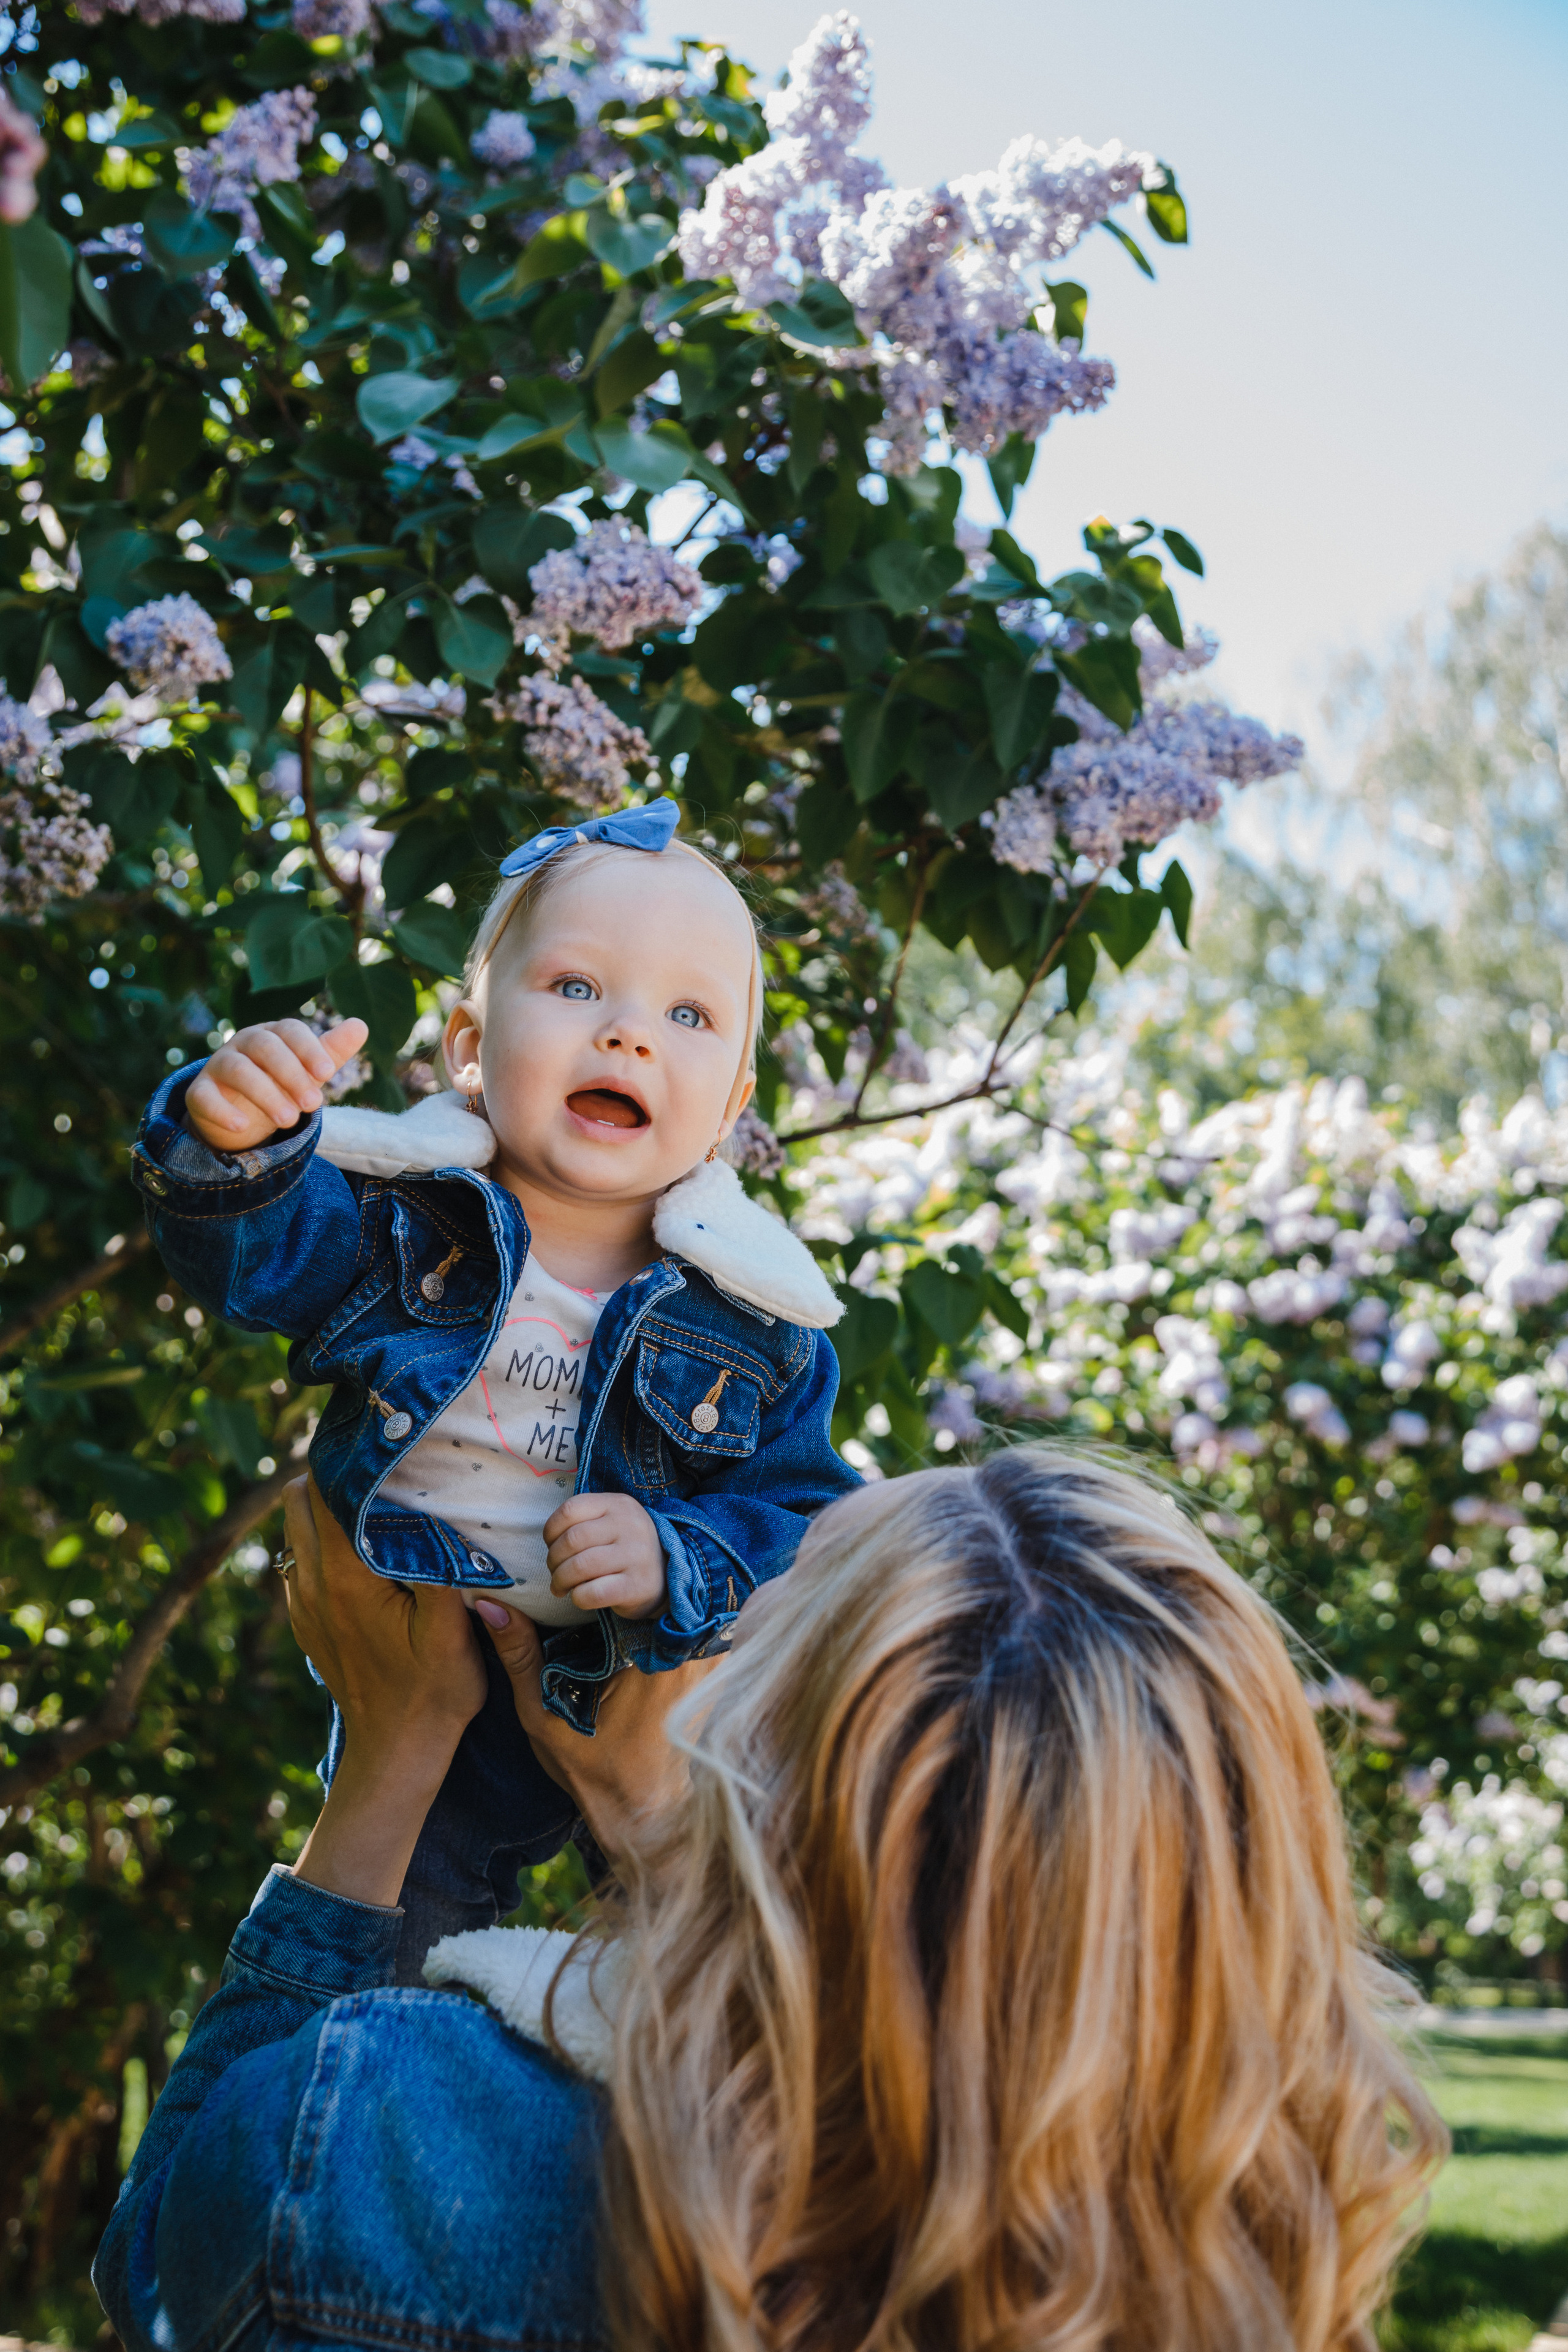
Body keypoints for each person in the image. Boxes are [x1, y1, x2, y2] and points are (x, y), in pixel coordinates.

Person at [95, 1447, 1446, 2352]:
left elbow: (159, 2268)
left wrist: (391, 1757)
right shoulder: (1237, 2250)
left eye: (748, 1624)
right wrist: (665, 1837)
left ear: (753, 1761)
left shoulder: (397, 2134)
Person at [127, 801, 859, 1970]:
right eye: (576, 988)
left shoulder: (756, 1317)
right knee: (383, 1977)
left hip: (653, 1688)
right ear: (469, 1046)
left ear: (730, 1108)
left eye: (688, 1013)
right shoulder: (401, 1213)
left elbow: (808, 1519)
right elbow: (257, 1261)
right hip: (438, 1673)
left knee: (714, 1963)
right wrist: (233, 1142)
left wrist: (680, 1556)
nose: (628, 1036)